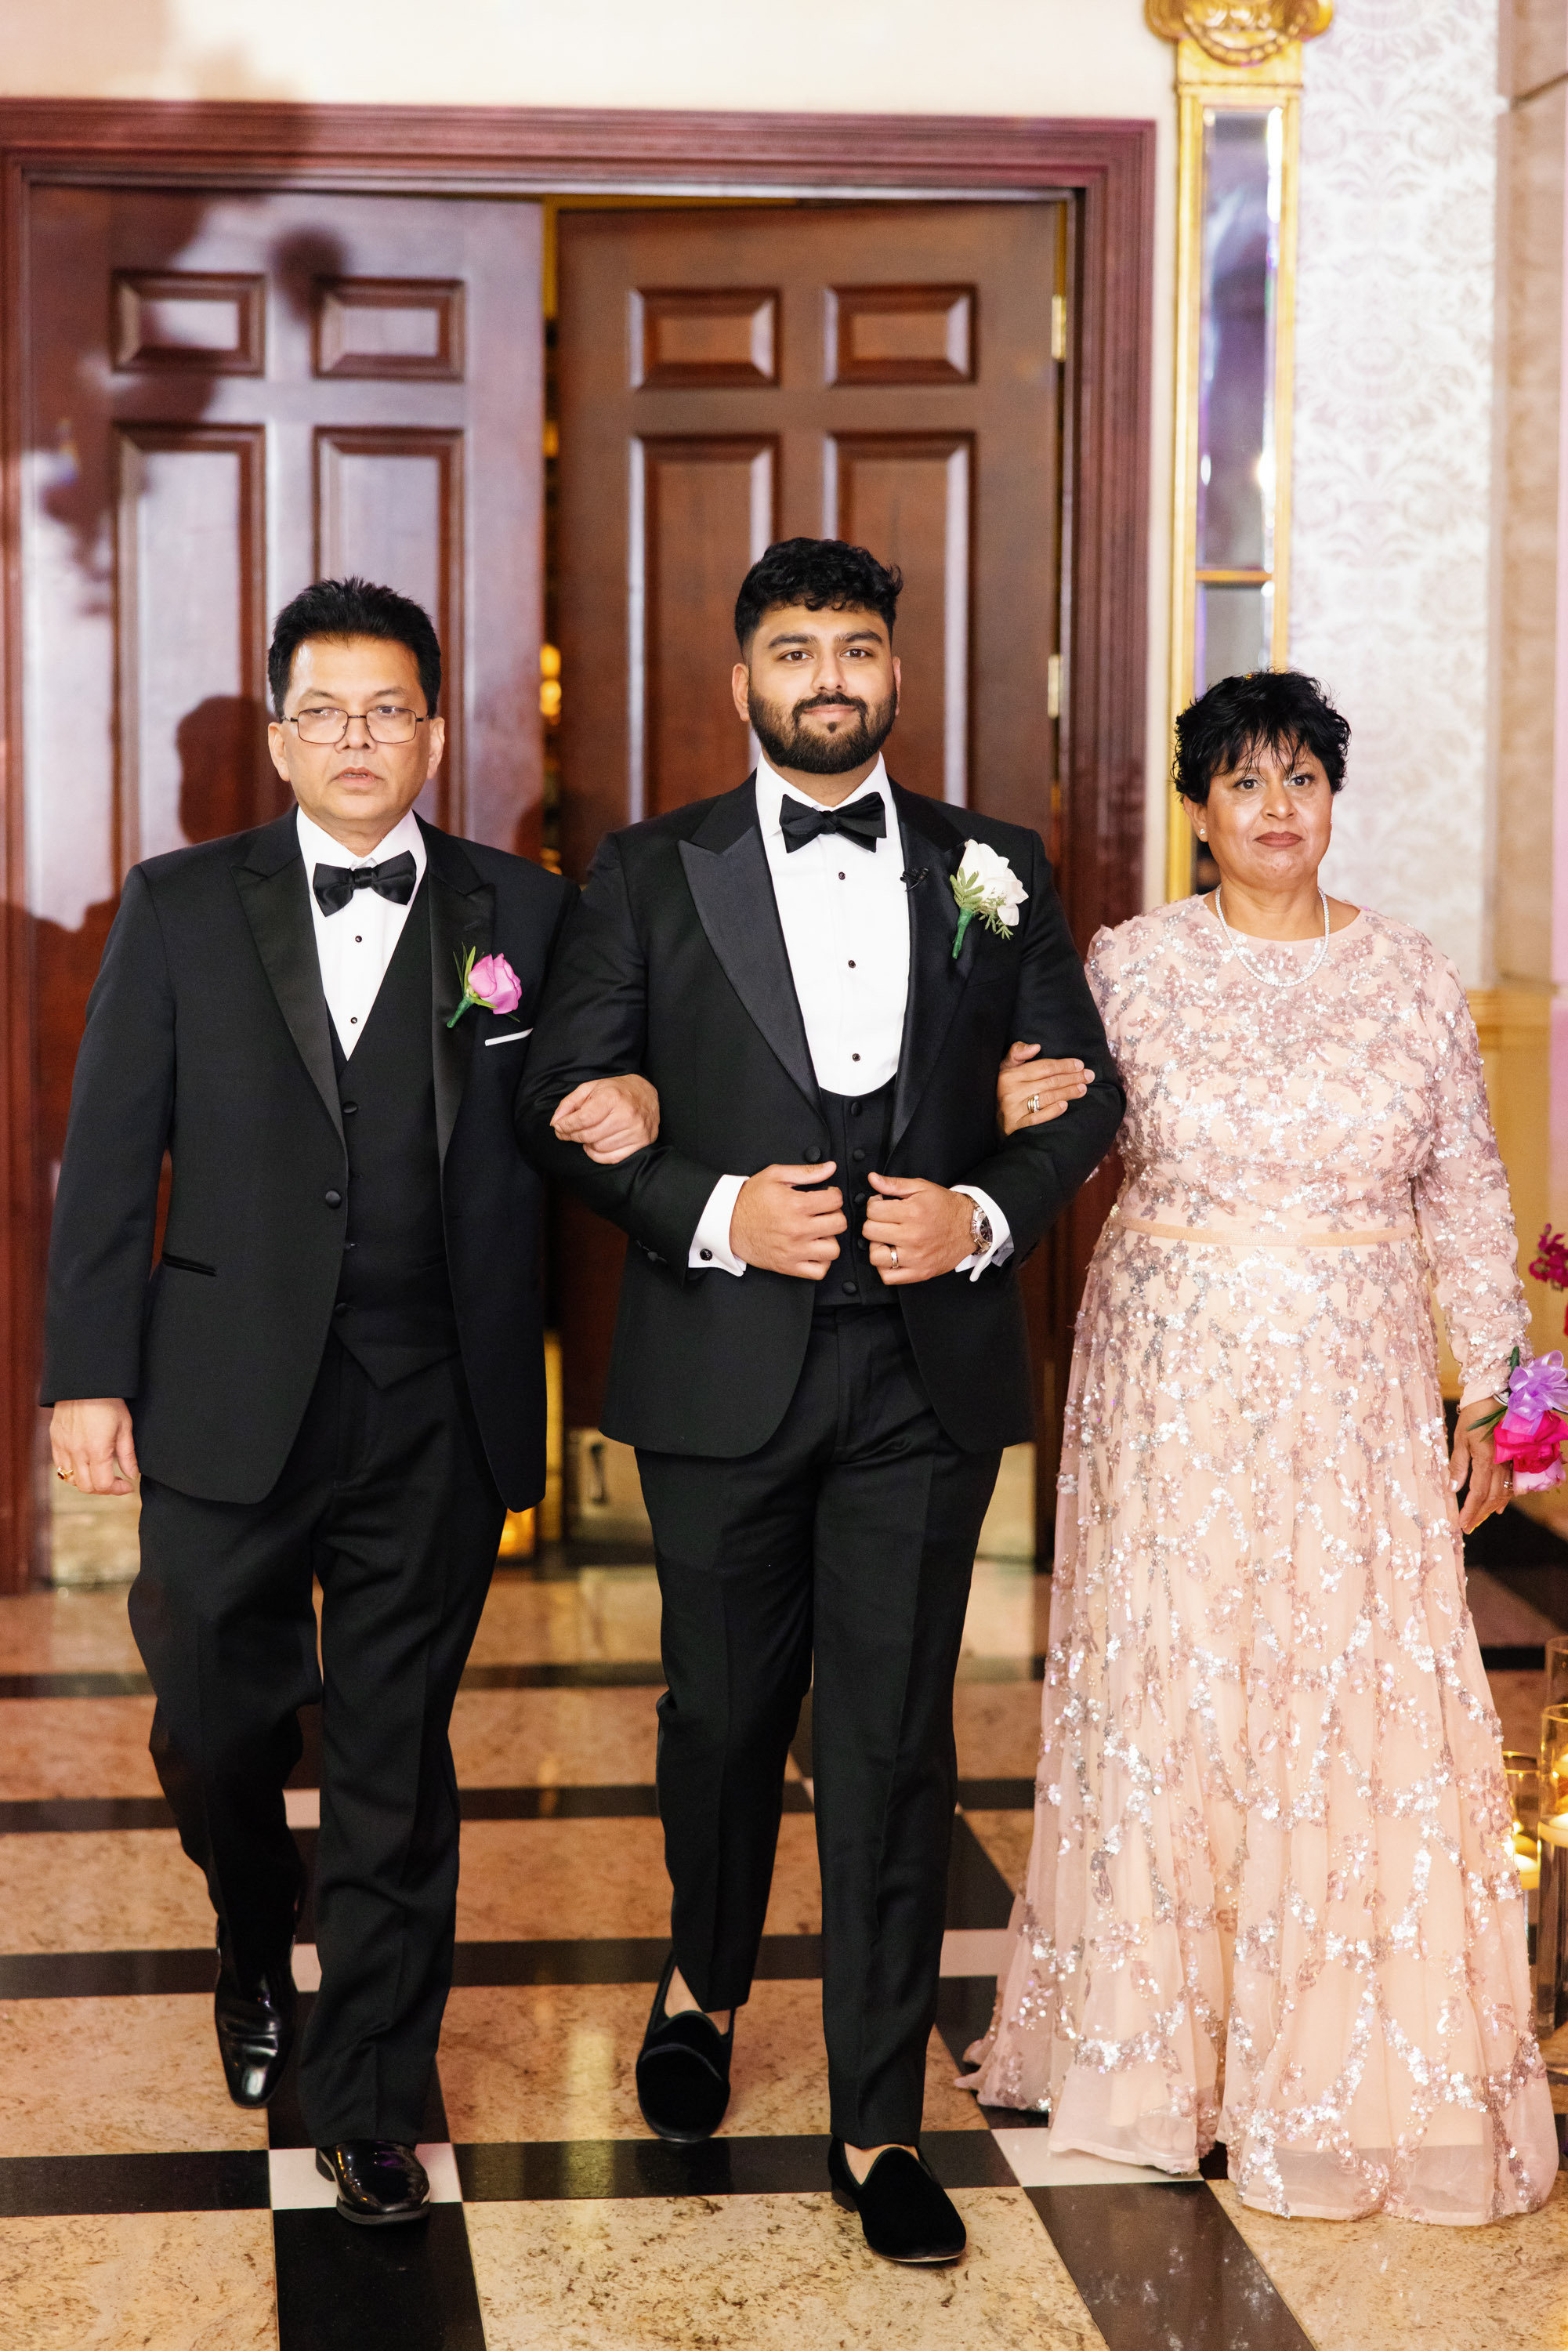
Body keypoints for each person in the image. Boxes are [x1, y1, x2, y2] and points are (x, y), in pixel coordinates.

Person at [519, 538, 1124, 2265]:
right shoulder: (645, 872)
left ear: (894, 674)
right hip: (720, 1362)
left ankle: (876, 2126)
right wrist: (712, 1206)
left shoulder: (990, 871)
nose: (827, 676)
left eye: (855, 646)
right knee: (718, 1718)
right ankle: (703, 1973)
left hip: (921, 1372)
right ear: (741, 682)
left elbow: (1078, 1095)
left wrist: (984, 1210)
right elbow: (560, 1088)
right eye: (793, 650)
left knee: (887, 1742)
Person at [42, 577, 654, 2226]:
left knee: (396, 1751)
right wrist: (85, 1373)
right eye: (325, 711)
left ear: (436, 731)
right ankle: (254, 1919)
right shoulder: (177, 907)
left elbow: (591, 1096)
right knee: (210, 1716)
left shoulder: (520, 915)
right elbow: (109, 1160)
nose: (359, 738)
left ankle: (371, 2090)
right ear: (279, 732)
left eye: (389, 710)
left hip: (433, 1398)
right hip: (226, 1390)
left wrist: (632, 1099)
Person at [964, 668, 1559, 2225]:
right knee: (1178, 1677)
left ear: (1329, 798)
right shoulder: (1129, 967)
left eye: (1300, 775)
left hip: (1354, 1385)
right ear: (1199, 810)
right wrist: (1006, 1101)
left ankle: (1326, 2062)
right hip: (1167, 1375)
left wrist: (1490, 1386)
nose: (1276, 804)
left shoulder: (1411, 974)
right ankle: (1152, 2052)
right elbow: (1055, 1133)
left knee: (1334, 1674)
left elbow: (1463, 1187)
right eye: (1242, 780)